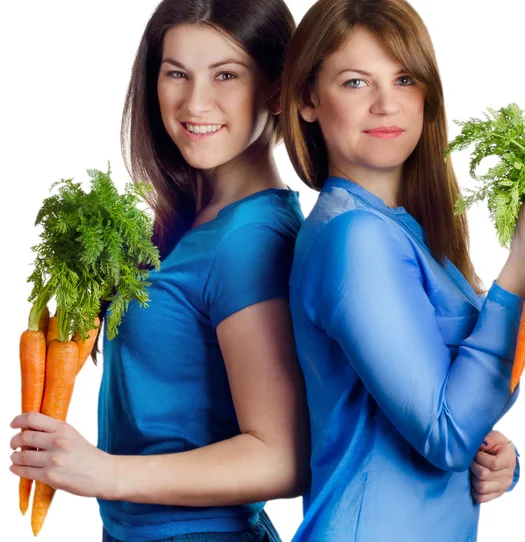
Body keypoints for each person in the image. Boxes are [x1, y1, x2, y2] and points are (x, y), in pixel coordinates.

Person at [279, 0, 525, 540]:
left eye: (404, 78)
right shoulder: (354, 238)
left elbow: (449, 413)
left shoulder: (406, 231)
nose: (386, 105)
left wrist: (495, 461)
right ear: (308, 99)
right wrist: (519, 266)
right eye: (355, 83)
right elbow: (446, 434)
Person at [9, 1, 309, 540]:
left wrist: (102, 471)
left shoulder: (249, 240)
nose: (195, 102)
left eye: (226, 74)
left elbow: (280, 458)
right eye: (176, 73)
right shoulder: (190, 219)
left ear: (275, 87)